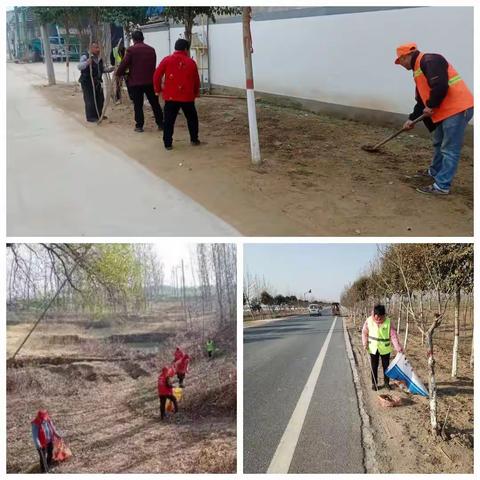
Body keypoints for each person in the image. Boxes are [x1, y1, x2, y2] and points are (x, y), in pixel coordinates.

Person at [395, 42, 474, 195]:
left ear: (407, 56)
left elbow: (440, 85)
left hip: (457, 109)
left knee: (449, 149)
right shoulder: (418, 70)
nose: (401, 65)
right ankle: (434, 172)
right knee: (438, 143)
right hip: (443, 111)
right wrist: (411, 119)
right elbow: (421, 101)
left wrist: (431, 105)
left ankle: (442, 186)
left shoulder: (430, 60)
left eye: (401, 61)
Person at [153, 38, 201, 150]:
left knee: (169, 120)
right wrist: (196, 93)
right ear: (186, 49)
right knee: (192, 118)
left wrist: (158, 89)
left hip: (171, 96)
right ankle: (194, 139)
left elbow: (157, 75)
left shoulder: (167, 60)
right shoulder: (191, 62)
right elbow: (196, 80)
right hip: (187, 97)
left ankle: (168, 143)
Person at [116, 30, 164, 133]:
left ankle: (139, 125)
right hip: (150, 81)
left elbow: (124, 64)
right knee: (155, 103)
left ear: (133, 40)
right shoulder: (151, 50)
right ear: (143, 38)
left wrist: (118, 73)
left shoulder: (131, 50)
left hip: (136, 82)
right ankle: (160, 123)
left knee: (138, 105)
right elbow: (153, 64)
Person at [362, 304, 403, 391]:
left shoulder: (388, 321)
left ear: (384, 315)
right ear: (374, 314)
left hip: (385, 348)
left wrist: (398, 348)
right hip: (373, 348)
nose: (379, 319)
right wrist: (364, 343)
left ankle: (386, 383)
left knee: (386, 367)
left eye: (381, 317)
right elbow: (364, 333)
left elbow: (393, 336)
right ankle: (374, 383)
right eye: (377, 317)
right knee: (374, 366)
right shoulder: (368, 321)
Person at [77, 42, 113, 122]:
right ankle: (90, 117)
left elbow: (101, 69)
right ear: (91, 48)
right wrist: (87, 63)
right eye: (96, 48)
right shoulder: (85, 56)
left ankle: (99, 114)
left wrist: (110, 69)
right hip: (87, 82)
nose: (98, 50)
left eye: (99, 48)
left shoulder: (99, 57)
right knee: (90, 99)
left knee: (100, 99)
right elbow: (79, 66)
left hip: (97, 81)